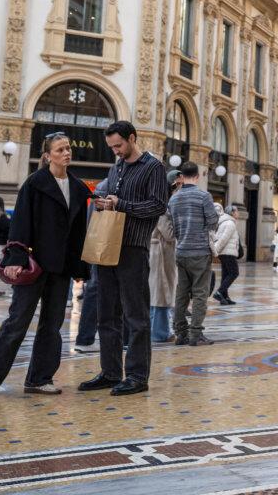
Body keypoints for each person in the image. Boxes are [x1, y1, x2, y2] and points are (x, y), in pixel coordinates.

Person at [0, 133, 91, 396]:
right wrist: (15, 258)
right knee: (17, 322)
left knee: (52, 324)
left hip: (61, 267)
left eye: (68, 148)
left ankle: (39, 378)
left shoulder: (78, 188)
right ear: (47, 155)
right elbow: (21, 223)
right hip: (34, 264)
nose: (67, 153)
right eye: (60, 150)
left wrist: (81, 267)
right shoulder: (34, 184)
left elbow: (80, 231)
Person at [78, 121, 168, 397]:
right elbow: (111, 198)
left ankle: (138, 376)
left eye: (119, 145)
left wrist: (121, 204)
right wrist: (104, 201)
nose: (115, 151)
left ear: (132, 138)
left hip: (133, 249)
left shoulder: (153, 168)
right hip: (107, 247)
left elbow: (158, 206)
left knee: (135, 316)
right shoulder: (115, 168)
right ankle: (111, 371)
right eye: (112, 147)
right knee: (107, 313)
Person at [167, 161, 219, 345]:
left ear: (182, 176)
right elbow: (213, 220)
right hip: (200, 251)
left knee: (181, 293)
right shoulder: (204, 196)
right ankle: (196, 334)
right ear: (197, 176)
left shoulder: (173, 199)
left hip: (181, 251)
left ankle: (180, 334)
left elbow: (172, 225)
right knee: (199, 294)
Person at [73, 178, 107, 353]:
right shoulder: (110, 185)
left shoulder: (103, 185)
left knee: (94, 289)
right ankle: (86, 339)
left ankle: (86, 338)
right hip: (107, 245)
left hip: (97, 243)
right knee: (96, 289)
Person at [149, 171, 180, 343]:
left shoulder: (158, 202)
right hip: (160, 253)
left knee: (158, 291)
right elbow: (168, 233)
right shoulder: (163, 206)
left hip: (158, 251)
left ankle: (158, 331)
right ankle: (159, 333)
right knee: (160, 292)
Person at [213, 203, 241, 305]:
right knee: (234, 273)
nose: (238, 213)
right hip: (228, 253)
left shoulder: (224, 222)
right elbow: (223, 239)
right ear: (232, 213)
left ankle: (224, 297)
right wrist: (215, 250)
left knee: (226, 274)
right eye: (237, 211)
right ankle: (219, 292)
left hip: (224, 252)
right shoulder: (230, 223)